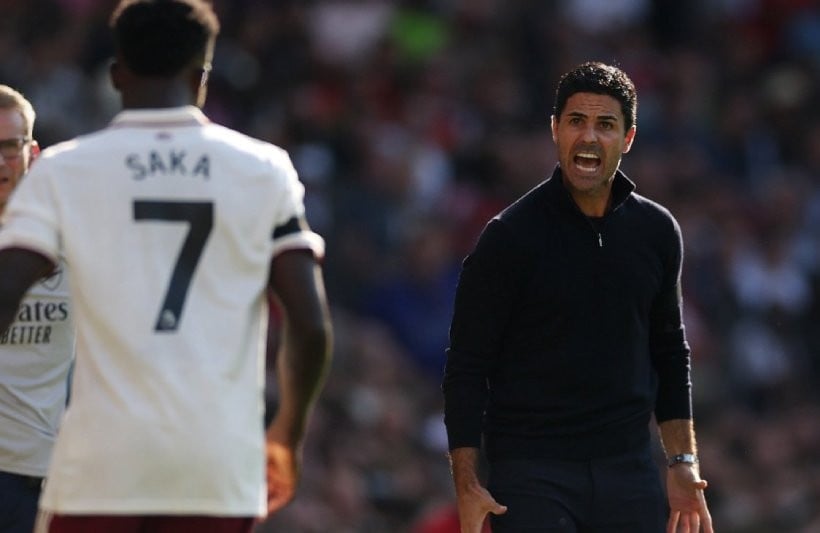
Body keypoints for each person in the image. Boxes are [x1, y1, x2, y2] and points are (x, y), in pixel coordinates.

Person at [0, 1, 333, 532]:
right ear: (202, 78)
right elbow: (310, 324)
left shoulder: (66, 170)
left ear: (116, 75)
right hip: (216, 459)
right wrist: (286, 435)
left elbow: (5, 291)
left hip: (101, 460)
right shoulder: (262, 169)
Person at [442, 61, 714, 533]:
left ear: (628, 138)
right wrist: (466, 483)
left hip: (628, 469)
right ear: (555, 130)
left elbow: (670, 352)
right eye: (576, 121)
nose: (588, 137)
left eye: (605, 125)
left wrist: (682, 462)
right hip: (530, 472)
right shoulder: (508, 237)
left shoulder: (656, 232)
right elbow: (466, 365)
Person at [0, 85, 74, 533]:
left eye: (9, 147)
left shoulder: (71, 239)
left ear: (33, 152)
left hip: (39, 480)